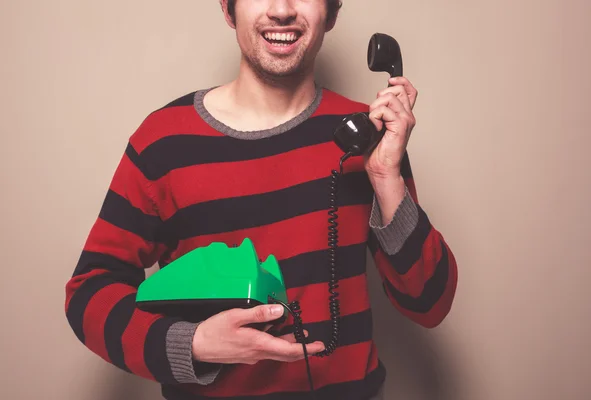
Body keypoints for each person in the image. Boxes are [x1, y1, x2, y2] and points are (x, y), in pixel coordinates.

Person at [64, 1, 458, 399]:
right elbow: (88, 292)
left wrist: (385, 176)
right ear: (228, 9)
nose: (281, 9)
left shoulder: (368, 138)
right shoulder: (162, 142)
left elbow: (431, 303)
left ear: (333, 12)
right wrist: (194, 343)